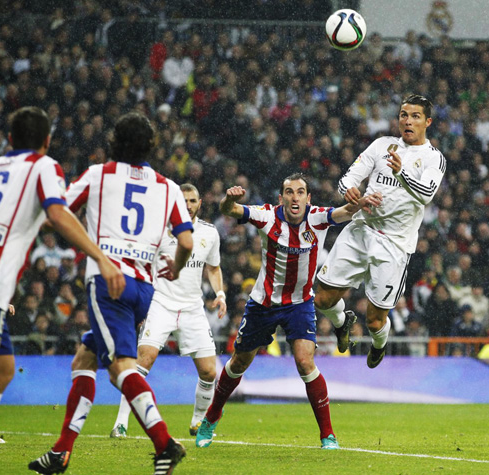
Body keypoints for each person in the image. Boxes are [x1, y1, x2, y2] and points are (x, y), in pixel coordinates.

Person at [29, 112, 193, 475]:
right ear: (151, 146)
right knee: (84, 361)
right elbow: (185, 240)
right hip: (144, 288)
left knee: (120, 367)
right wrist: (177, 268)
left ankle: (164, 443)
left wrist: (99, 253)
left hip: (109, 282)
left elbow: (57, 213)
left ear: (113, 142)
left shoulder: (98, 174)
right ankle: (61, 452)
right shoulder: (169, 186)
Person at [195, 173, 381, 450]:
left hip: (299, 304)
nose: (295, 197)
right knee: (239, 363)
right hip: (263, 304)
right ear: (281, 197)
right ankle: (211, 417)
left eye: (301, 192)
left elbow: (345, 211)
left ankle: (328, 434)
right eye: (290, 192)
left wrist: (361, 201)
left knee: (305, 362)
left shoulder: (317, 218)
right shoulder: (267, 216)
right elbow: (230, 210)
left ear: (309, 198)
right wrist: (228, 200)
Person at [0, 107, 124, 409]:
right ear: (47, 141)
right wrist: (100, 257)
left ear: (10, 138)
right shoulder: (43, 166)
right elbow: (57, 213)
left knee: (4, 368)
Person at [314, 94, 446, 369]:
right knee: (323, 299)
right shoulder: (381, 145)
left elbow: (426, 194)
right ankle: (342, 322)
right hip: (361, 230)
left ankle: (379, 344)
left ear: (428, 122)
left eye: (415, 116)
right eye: (403, 115)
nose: (407, 121)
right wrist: (349, 191)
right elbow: (347, 179)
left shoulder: (434, 158)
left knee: (375, 320)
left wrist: (402, 174)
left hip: (395, 245)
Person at [111, 183, 227, 438]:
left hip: (192, 306)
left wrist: (220, 294)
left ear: (200, 203)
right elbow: (138, 265)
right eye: (183, 200)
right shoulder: (158, 232)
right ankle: (120, 423)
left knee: (209, 371)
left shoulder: (209, 232)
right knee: (144, 359)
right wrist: (139, 303)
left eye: (193, 200)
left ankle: (198, 422)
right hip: (160, 303)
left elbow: (214, 267)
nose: (188, 205)